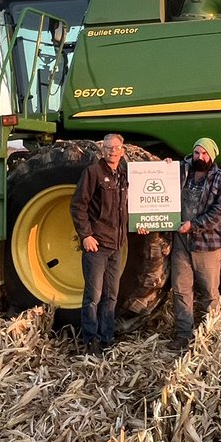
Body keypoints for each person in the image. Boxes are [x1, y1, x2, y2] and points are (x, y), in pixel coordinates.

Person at [170, 137, 221, 350]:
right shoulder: (181, 171)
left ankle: (212, 336)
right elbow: (161, 183)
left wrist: (194, 225)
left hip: (207, 245)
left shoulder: (220, 180)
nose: (199, 157)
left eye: (204, 153)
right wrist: (164, 167)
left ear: (211, 156)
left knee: (209, 292)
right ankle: (183, 335)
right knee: (181, 290)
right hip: (181, 242)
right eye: (196, 153)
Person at [70, 134, 129, 355]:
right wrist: (85, 235)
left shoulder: (123, 174)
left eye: (116, 147)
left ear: (122, 150)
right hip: (97, 245)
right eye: (108, 147)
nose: (112, 151)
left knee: (111, 295)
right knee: (93, 296)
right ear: (102, 150)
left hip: (117, 245)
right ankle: (90, 339)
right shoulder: (93, 173)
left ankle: (107, 336)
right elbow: (78, 205)